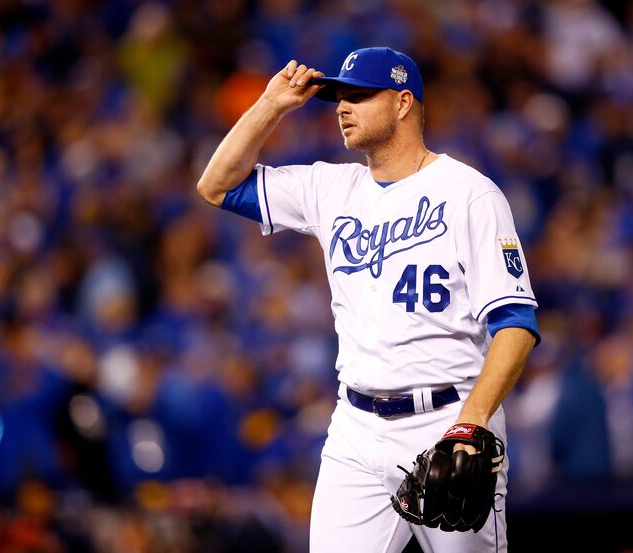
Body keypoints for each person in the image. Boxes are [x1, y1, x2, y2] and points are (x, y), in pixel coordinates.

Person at [197, 47, 539, 553]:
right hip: (354, 427)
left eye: (359, 95)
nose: (342, 106)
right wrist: (270, 105)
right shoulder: (331, 187)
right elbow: (216, 185)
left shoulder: (470, 194)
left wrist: (472, 421)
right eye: (339, 96)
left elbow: (515, 323)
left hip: (446, 420)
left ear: (404, 103)